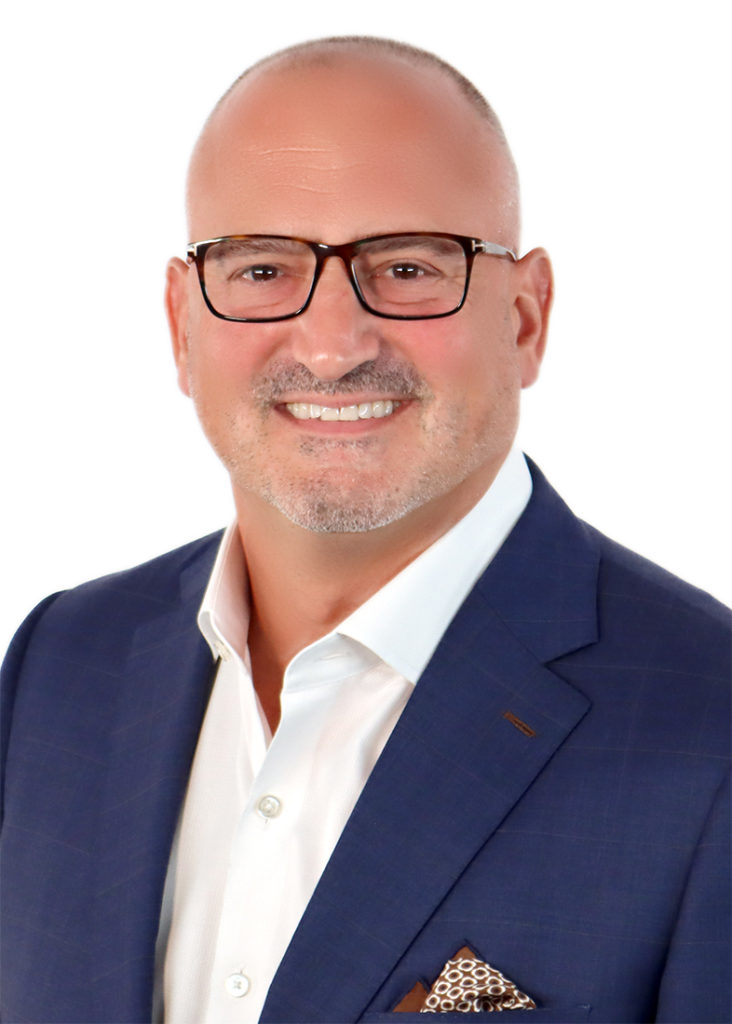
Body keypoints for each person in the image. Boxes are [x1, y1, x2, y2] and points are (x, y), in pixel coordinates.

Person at [1, 35, 729, 1024]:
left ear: (525, 317)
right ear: (182, 324)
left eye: (408, 266)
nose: (334, 344)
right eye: (261, 269)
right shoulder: (59, 665)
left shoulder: (707, 730)